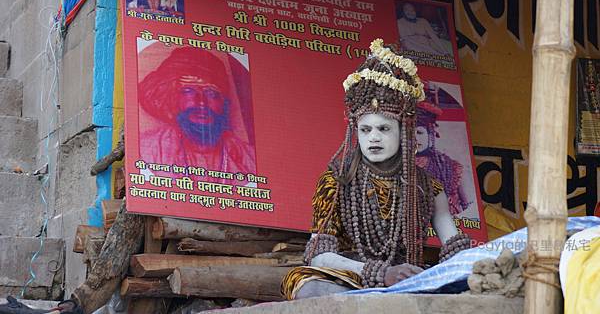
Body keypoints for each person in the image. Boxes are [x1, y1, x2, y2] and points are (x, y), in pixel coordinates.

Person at [281, 39, 471, 299]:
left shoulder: (428, 186)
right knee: (306, 283)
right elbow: (319, 256)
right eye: (366, 129)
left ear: (404, 131)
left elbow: (453, 244)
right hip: (353, 276)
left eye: (384, 129)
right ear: (355, 131)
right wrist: (379, 273)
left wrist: (470, 264)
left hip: (407, 278)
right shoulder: (336, 181)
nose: (374, 138)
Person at [138, 47, 256, 180]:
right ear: (173, 98)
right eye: (189, 91)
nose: (201, 102)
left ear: (223, 102)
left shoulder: (250, 160)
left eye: (211, 93)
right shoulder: (145, 150)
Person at [416, 95, 471, 215]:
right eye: (408, 133)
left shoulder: (451, 168)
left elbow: (469, 207)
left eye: (419, 132)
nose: (414, 138)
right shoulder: (392, 167)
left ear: (431, 135)